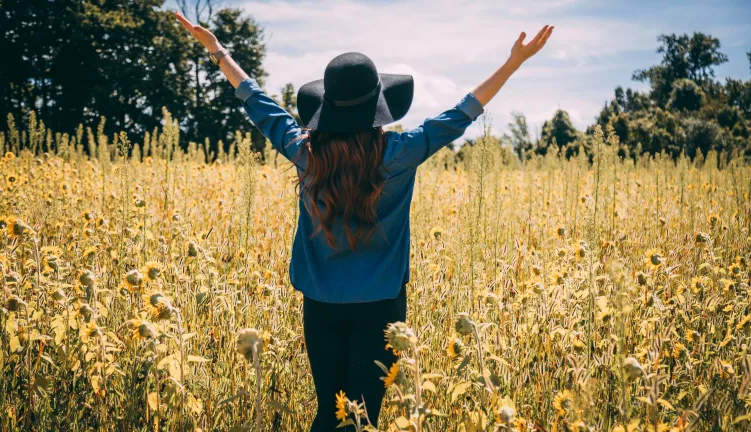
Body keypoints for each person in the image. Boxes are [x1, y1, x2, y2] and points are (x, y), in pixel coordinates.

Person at [176, 11, 553, 431]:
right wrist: (514, 62)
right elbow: (464, 111)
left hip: (320, 306)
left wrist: (217, 50)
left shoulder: (304, 152)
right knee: (362, 417)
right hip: (382, 308)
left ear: (326, 107)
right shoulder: (401, 152)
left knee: (330, 412)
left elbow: (257, 102)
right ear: (379, 108)